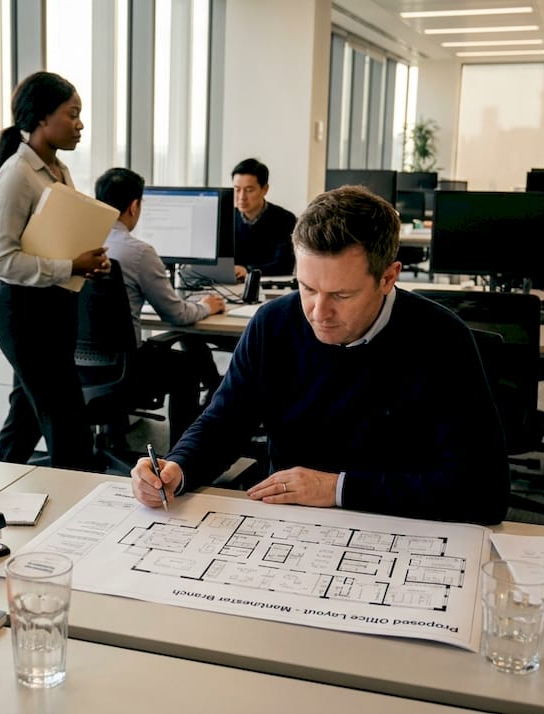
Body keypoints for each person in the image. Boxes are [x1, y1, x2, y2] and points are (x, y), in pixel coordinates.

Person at [131, 186, 510, 525]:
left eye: (341, 295)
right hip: (293, 524)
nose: (317, 311)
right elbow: (224, 423)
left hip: (406, 525)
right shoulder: (273, 324)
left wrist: (338, 489)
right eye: (307, 287)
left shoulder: (442, 339)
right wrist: (176, 468)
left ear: (388, 278)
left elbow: (484, 493)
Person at [0, 71, 110, 470]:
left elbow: (54, 238)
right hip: (23, 313)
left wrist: (86, 262)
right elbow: (1, 260)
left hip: (55, 310)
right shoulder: (16, 176)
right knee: (69, 424)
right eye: (72, 114)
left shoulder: (58, 170)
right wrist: (70, 265)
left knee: (24, 420)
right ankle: (79, 520)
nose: (80, 124)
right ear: (42, 118)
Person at [95, 167, 225, 447]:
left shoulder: (79, 244)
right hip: (124, 367)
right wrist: (205, 306)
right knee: (188, 368)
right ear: (134, 206)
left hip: (77, 363)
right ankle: (183, 456)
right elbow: (176, 314)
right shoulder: (139, 252)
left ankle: (114, 439)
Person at [231, 158, 297, 281]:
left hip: (268, 287)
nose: (241, 197)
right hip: (228, 285)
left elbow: (284, 265)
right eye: (237, 189)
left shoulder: (284, 219)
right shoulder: (226, 218)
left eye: (249, 190)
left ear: (265, 189)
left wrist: (248, 271)